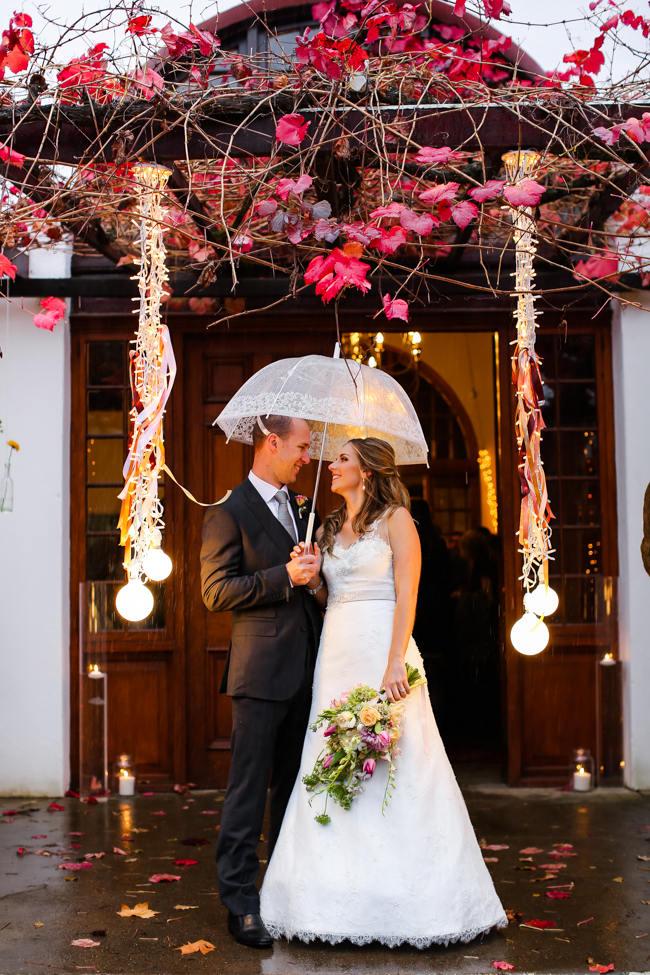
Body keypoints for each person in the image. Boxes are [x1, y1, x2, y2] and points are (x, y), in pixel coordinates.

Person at [260, 437, 507, 948]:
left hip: (384, 650)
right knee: (331, 755)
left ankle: (414, 899)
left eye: (343, 460)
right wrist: (310, 575)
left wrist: (396, 658)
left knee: (401, 761)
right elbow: (330, 595)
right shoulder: (327, 527)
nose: (332, 466)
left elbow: (408, 591)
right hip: (338, 652)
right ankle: (326, 898)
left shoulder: (396, 519)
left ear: (367, 471)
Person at [200, 414, 323, 949]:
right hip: (258, 674)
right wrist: (283, 578)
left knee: (295, 789)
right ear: (271, 443)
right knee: (248, 791)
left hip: (309, 670)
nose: (306, 458)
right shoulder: (229, 513)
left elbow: (308, 591)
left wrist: (314, 579)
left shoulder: (304, 511)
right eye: (300, 447)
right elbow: (215, 591)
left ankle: (286, 892)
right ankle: (240, 903)